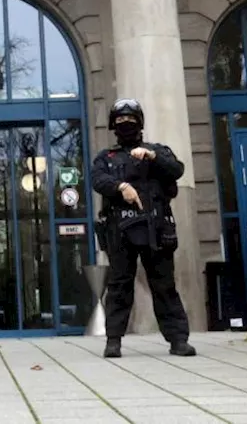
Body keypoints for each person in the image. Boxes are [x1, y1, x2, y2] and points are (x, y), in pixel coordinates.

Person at [92, 98, 195, 359]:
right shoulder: (107, 157)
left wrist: (152, 156)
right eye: (120, 120)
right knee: (119, 286)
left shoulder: (157, 151)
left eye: (130, 119)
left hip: (156, 227)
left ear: (140, 123)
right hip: (121, 230)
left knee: (164, 285)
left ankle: (178, 340)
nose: (126, 124)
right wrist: (121, 187)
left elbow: (177, 170)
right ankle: (113, 340)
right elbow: (97, 179)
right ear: (113, 125)